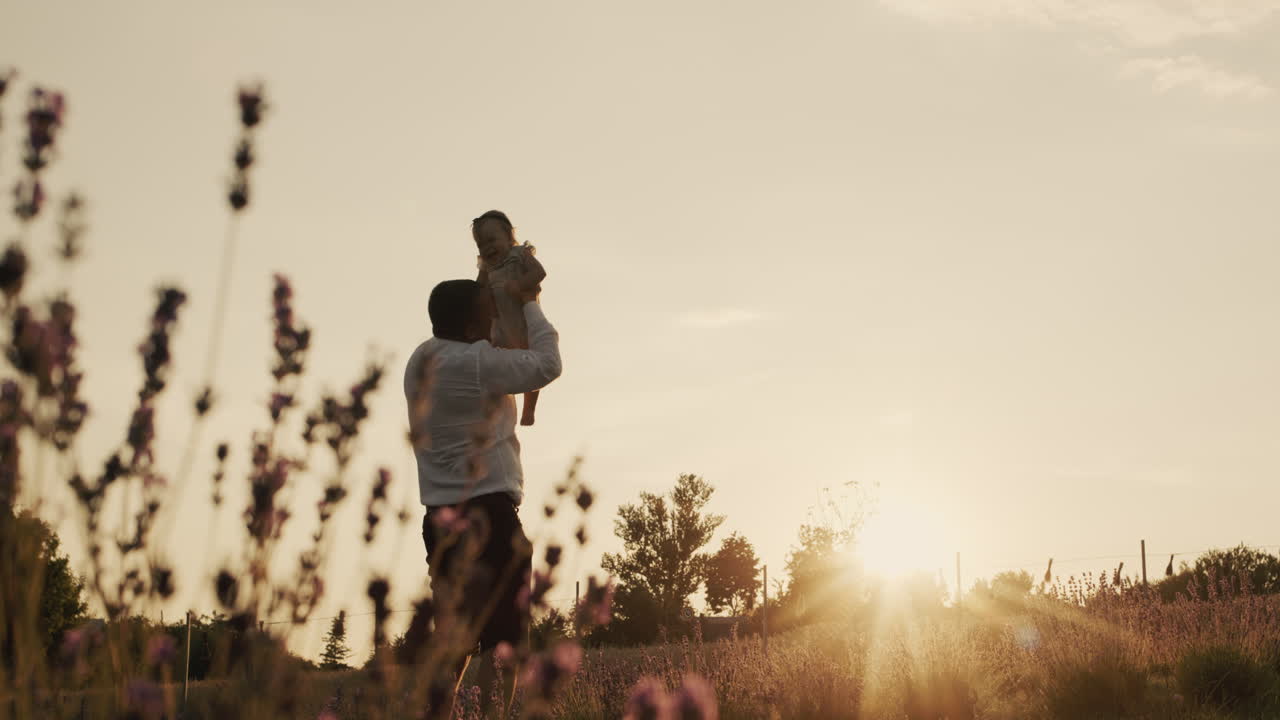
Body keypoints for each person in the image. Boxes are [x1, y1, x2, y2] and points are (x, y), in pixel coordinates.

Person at [402, 269, 560, 715]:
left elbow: (475, 330)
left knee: (453, 640)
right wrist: (529, 301)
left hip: (440, 520)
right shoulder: (475, 363)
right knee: (504, 641)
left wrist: (487, 286)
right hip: (489, 516)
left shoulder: (421, 358)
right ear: (472, 328)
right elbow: (547, 364)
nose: (494, 325)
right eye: (488, 318)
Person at [472, 210, 547, 426]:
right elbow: (479, 287)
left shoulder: (520, 255)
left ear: (508, 236)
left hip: (523, 319)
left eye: (492, 240)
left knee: (532, 361)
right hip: (501, 322)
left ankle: (529, 409)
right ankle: (498, 402)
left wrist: (520, 284)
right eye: (481, 245)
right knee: (500, 360)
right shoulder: (487, 266)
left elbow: (539, 273)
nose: (487, 248)